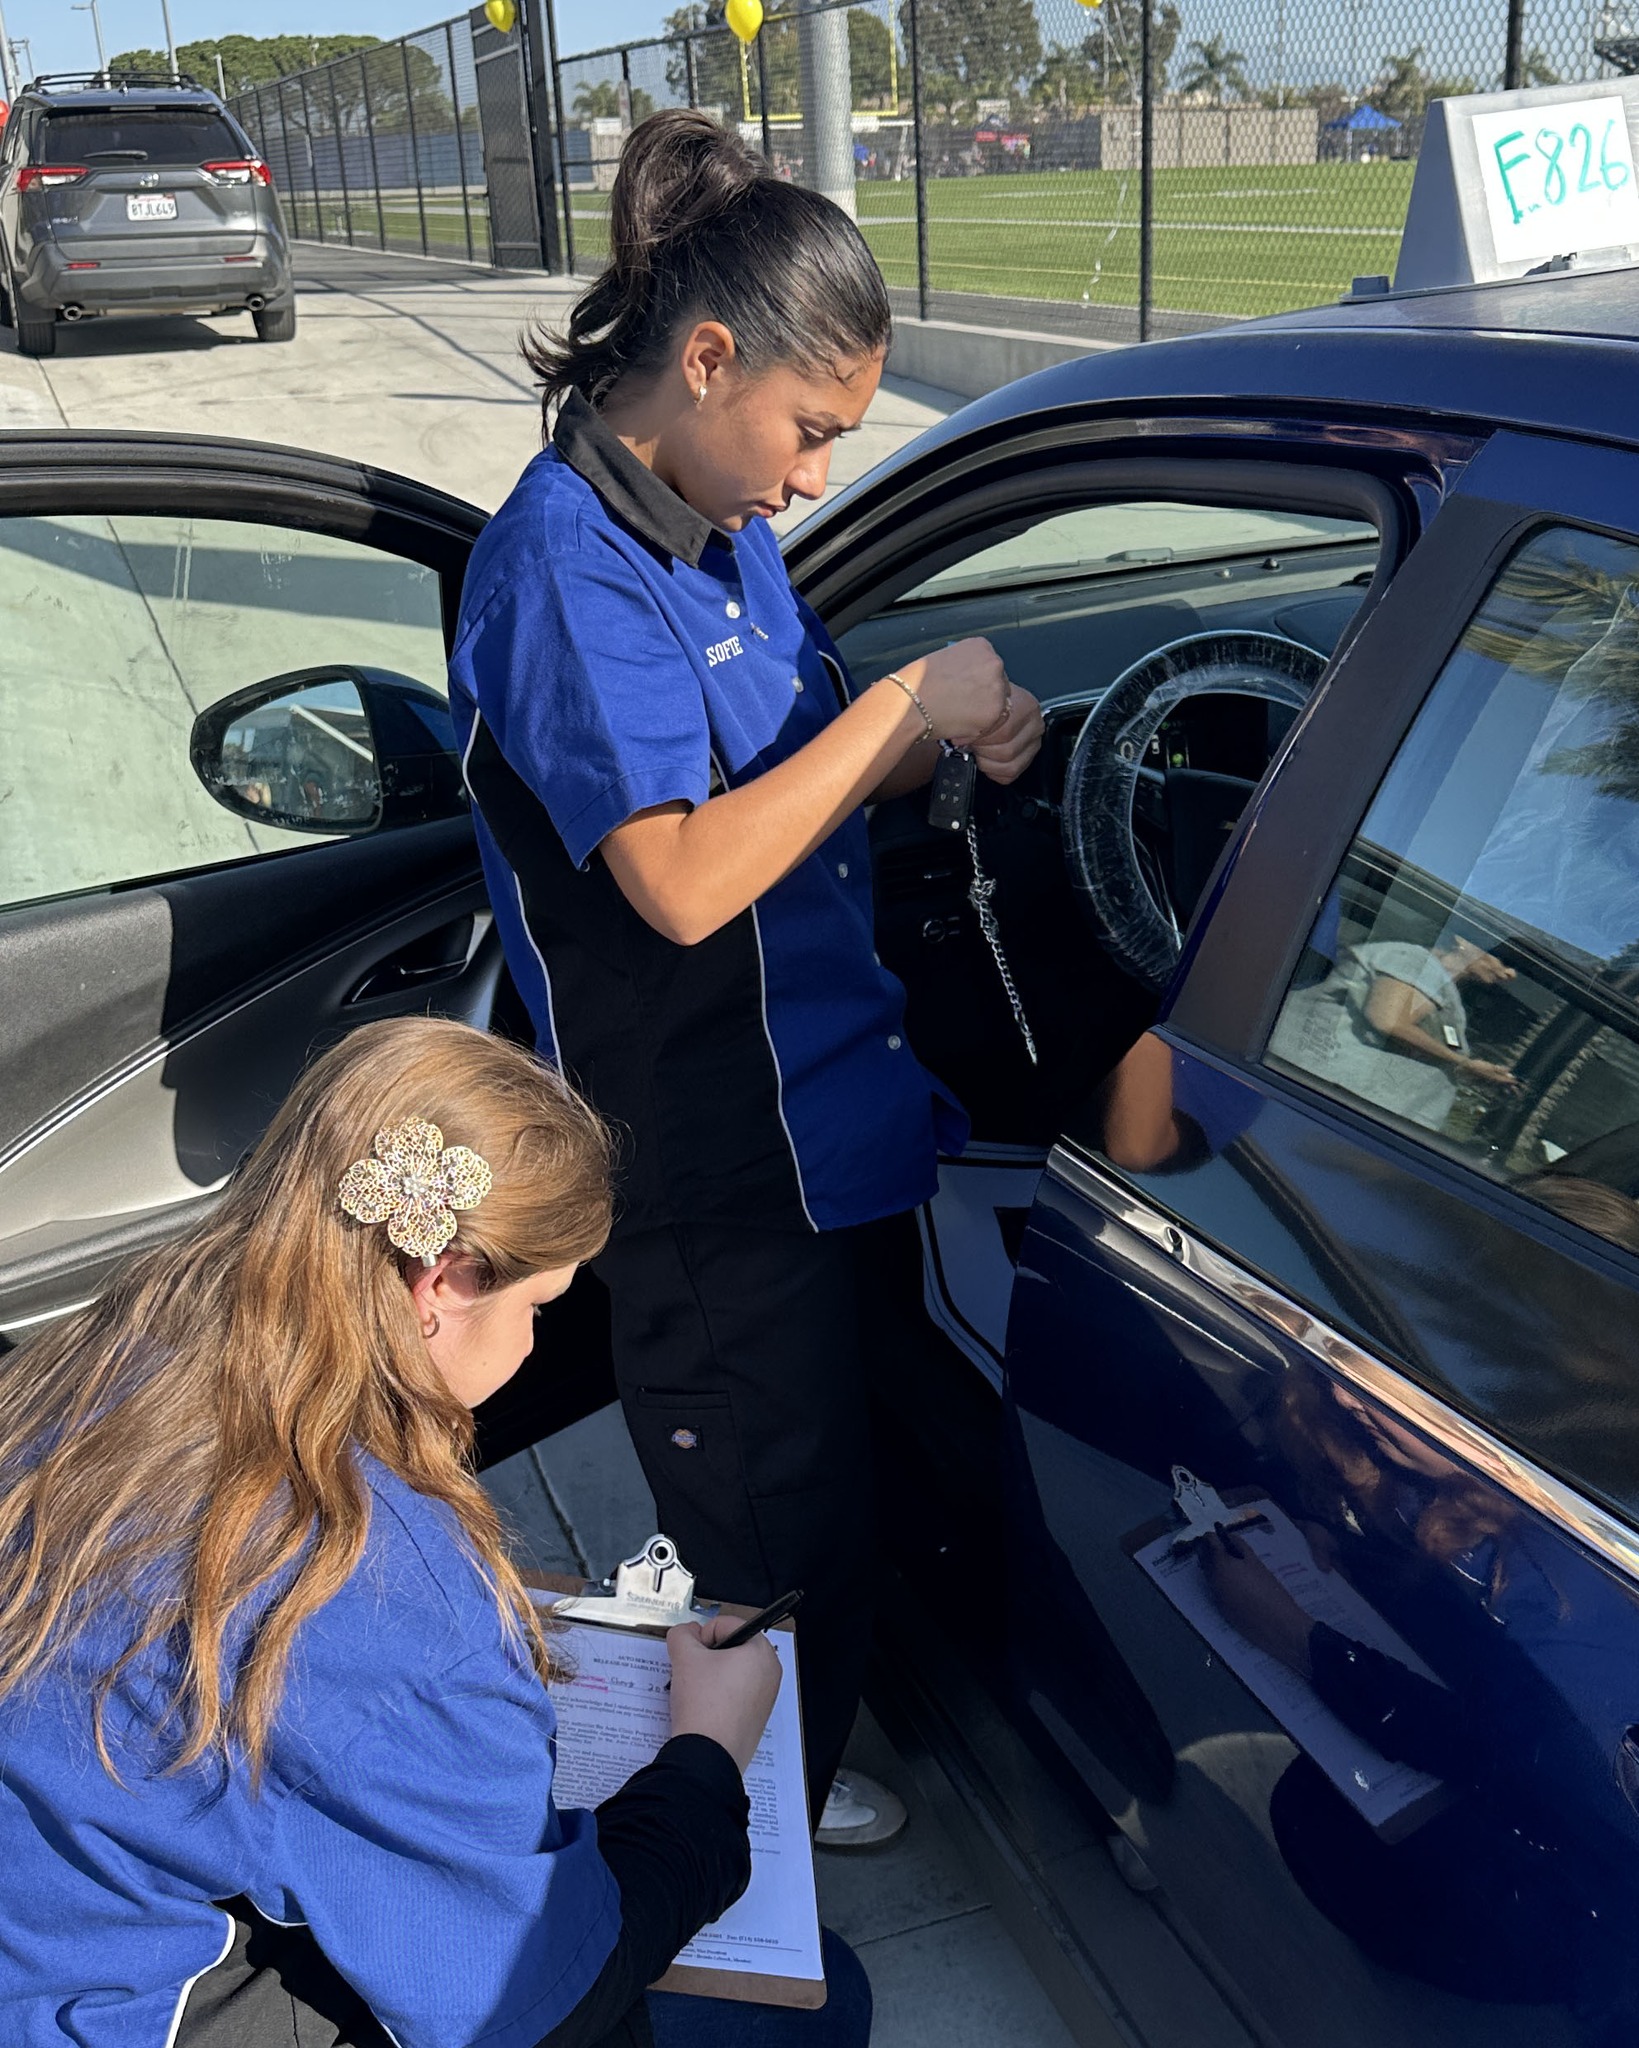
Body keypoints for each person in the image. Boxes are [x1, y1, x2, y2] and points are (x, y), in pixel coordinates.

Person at [448, 109, 1043, 1840]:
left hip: (830, 1116)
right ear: (706, 359)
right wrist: (893, 710)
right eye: (806, 431)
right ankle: (731, 1824)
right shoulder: (565, 566)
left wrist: (961, 741)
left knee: (844, 1481)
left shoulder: (722, 532)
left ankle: (808, 1726)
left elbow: (806, 774)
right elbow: (685, 877)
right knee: (763, 1523)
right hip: (709, 1163)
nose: (809, 478)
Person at [0, 1017, 871, 2048]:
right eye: (541, 1303)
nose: (539, 1336)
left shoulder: (110, 1340)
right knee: (813, 2007)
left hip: (49, 1925)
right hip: (122, 2010)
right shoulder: (374, 1587)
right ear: (443, 1282)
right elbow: (532, 2000)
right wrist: (706, 1757)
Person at [1268, 929, 1519, 1135]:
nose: (1510, 973)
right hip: (1310, 1098)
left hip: (1349, 1115)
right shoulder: (1415, 962)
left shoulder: (1444, 991)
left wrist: (1467, 1071)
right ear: (1462, 941)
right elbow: (1387, 1021)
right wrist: (1462, 1063)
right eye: (1502, 959)